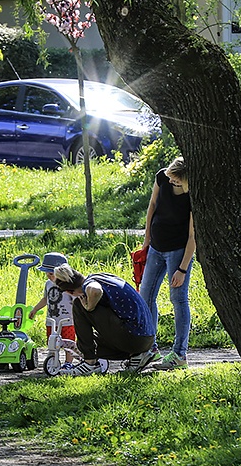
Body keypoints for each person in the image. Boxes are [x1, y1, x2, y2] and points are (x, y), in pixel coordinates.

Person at [139, 156, 196, 371]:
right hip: (156, 247)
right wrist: (147, 240)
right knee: (146, 297)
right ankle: (149, 349)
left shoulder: (192, 197)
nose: (171, 182)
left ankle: (179, 354)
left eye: (176, 181)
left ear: (186, 181)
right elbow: (152, 205)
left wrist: (182, 268)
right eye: (170, 178)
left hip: (178, 251)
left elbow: (192, 237)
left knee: (178, 299)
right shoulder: (162, 177)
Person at [52, 263, 155, 376]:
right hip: (146, 339)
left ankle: (89, 363)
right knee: (93, 344)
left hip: (135, 338)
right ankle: (137, 357)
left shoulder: (88, 285)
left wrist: (88, 307)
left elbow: (96, 290)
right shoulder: (99, 276)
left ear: (69, 291)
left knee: (79, 305)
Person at [28, 252, 76, 370]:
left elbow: (76, 301)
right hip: (52, 320)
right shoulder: (48, 284)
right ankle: (54, 360)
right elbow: (45, 299)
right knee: (52, 342)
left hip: (67, 320)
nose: (49, 276)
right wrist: (35, 309)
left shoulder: (69, 285)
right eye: (47, 274)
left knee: (68, 342)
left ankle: (68, 362)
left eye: (51, 274)